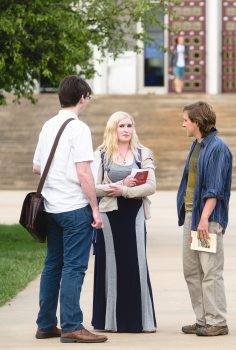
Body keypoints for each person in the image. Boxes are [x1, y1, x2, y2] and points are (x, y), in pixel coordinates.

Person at [33, 76, 107, 343]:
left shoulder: (48, 125)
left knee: (53, 265)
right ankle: (72, 325)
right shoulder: (79, 128)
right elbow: (84, 172)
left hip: (51, 207)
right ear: (82, 97)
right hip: (74, 207)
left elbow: (37, 167)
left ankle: (45, 324)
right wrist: (95, 210)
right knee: (74, 267)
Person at [91, 111, 157, 333]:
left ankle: (140, 321)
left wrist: (125, 190)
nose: (126, 130)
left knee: (135, 264)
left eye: (129, 125)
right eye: (121, 126)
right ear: (113, 128)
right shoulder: (100, 154)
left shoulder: (143, 152)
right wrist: (116, 186)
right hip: (109, 215)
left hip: (135, 213)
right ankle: (109, 321)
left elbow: (150, 186)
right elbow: (91, 187)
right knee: (111, 265)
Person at [176, 101, 232, 336]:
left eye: (186, 120)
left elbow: (215, 189)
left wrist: (204, 219)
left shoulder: (217, 148)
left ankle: (217, 321)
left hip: (206, 218)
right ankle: (202, 319)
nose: (183, 124)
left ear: (197, 122)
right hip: (192, 214)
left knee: (210, 271)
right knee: (191, 270)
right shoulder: (197, 145)